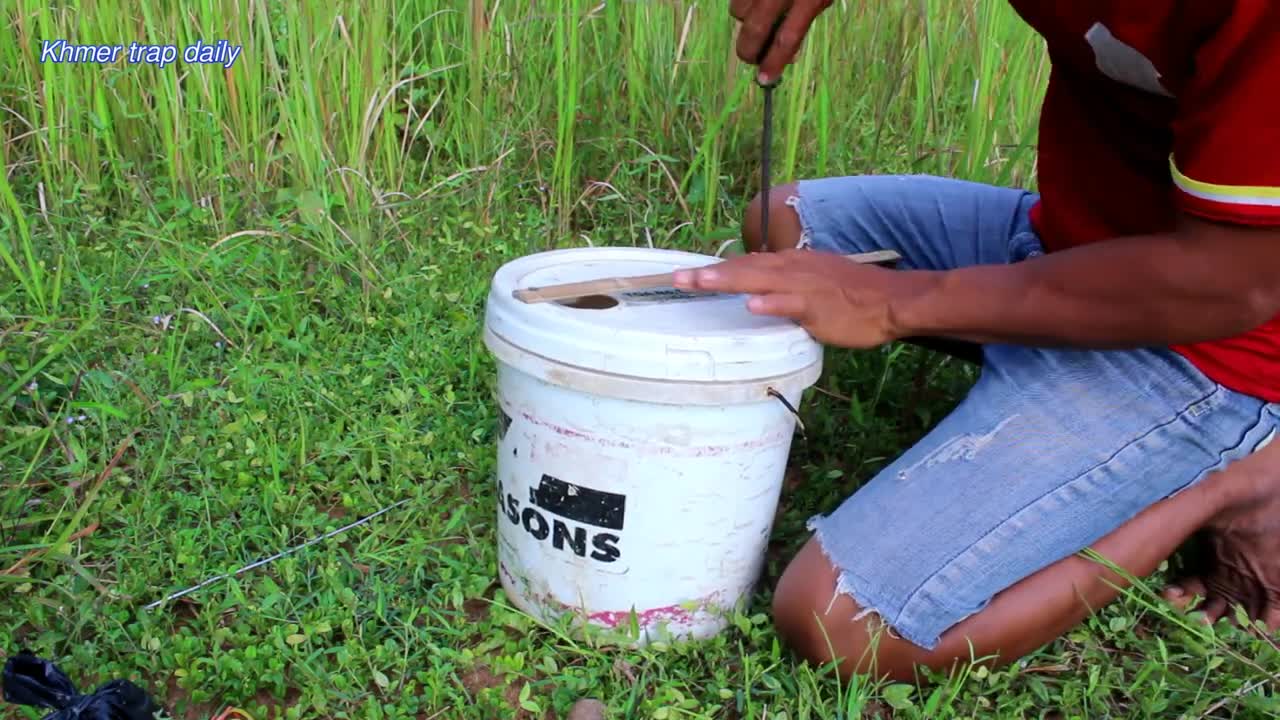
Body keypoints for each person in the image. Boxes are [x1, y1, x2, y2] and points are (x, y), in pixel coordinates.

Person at [671, 1, 1280, 682]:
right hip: (1074, 245)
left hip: (1214, 341)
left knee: (840, 624)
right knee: (788, 227)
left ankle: (1235, 478)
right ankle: (1034, 365)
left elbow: (1235, 283)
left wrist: (902, 303)